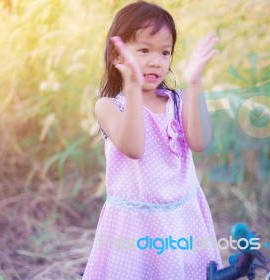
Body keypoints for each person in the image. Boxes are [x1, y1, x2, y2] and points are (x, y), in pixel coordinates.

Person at [83, 1, 222, 279]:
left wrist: (195, 83)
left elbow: (200, 141)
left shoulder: (178, 100)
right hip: (135, 226)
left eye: (165, 52)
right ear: (118, 56)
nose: (156, 61)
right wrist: (132, 88)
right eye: (144, 50)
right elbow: (134, 147)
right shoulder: (109, 106)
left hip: (182, 216)